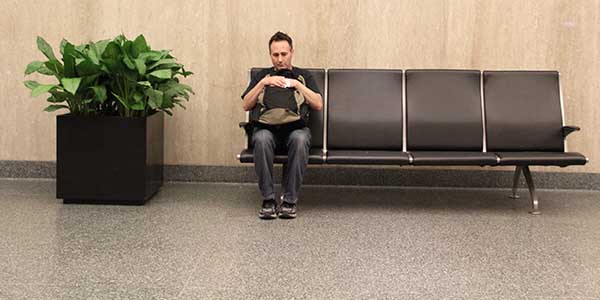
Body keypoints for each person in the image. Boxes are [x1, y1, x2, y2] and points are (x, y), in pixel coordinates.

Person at [241, 31, 323, 219]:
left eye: (283, 54)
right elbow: (246, 104)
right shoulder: (263, 75)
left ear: (292, 52)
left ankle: (289, 201)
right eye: (275, 54)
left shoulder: (303, 75)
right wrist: (263, 82)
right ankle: (268, 200)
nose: (279, 59)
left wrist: (296, 84)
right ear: (270, 55)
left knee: (300, 138)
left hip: (296, 129)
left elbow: (318, 103)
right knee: (260, 138)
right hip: (267, 129)